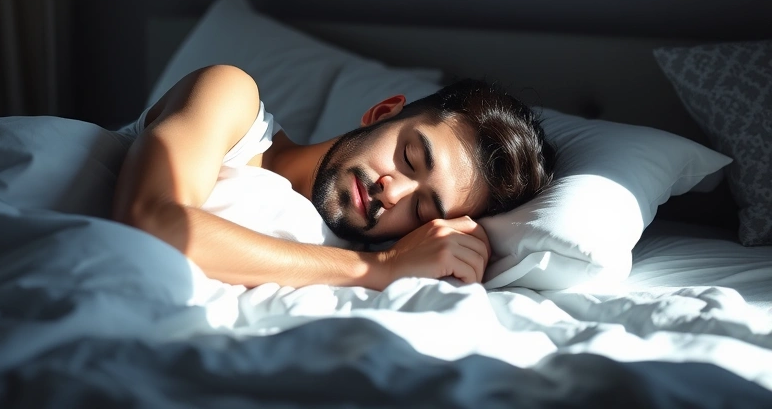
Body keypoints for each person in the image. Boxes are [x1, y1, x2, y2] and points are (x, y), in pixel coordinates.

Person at [112, 64, 555, 291]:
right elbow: (151, 220)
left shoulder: (356, 263)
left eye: (420, 208)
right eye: (409, 157)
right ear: (382, 112)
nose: (392, 190)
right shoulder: (232, 99)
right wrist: (379, 268)